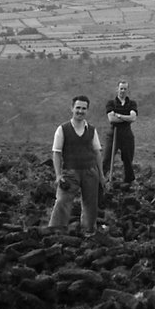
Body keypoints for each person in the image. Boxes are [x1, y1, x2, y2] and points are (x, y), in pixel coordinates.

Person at [48, 95, 105, 232]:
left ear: (87, 110)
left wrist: (101, 175)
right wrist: (58, 175)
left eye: (84, 108)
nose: (80, 111)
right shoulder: (62, 129)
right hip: (70, 171)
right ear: (72, 108)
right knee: (62, 201)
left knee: (91, 204)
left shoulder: (91, 130)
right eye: (78, 108)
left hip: (90, 171)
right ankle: (55, 230)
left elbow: (97, 152)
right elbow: (56, 153)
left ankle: (88, 231)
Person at [103, 80, 138, 186]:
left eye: (125, 89)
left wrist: (119, 115)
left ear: (128, 90)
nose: (123, 91)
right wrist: (126, 118)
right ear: (117, 89)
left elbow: (133, 118)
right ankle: (101, 178)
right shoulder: (111, 103)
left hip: (127, 134)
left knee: (128, 158)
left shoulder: (132, 103)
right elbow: (112, 119)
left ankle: (129, 180)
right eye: (121, 88)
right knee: (107, 158)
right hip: (113, 133)